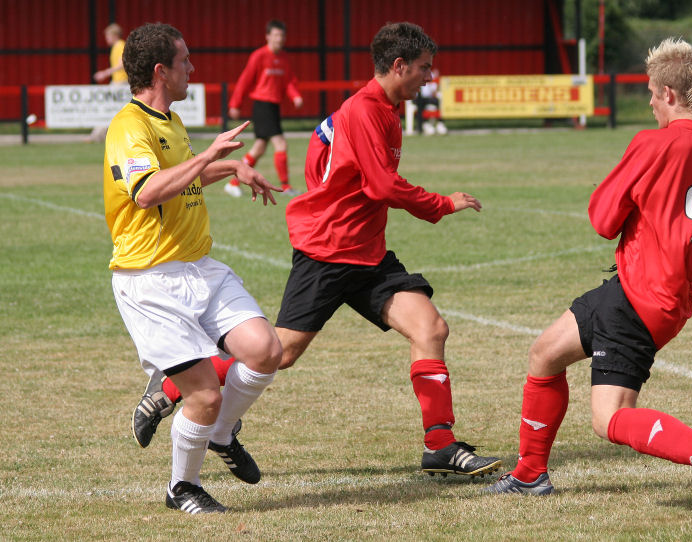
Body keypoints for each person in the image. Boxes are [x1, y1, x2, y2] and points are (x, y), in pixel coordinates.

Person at [133, 22, 502, 480]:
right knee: (279, 354)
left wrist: (329, 192)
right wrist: (443, 204)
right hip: (328, 251)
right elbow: (383, 184)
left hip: (367, 252)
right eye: (424, 69)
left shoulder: (380, 108)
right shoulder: (365, 110)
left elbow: (320, 152)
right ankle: (172, 385)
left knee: (431, 328)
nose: (429, 77)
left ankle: (440, 445)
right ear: (399, 66)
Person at [482, 38, 692, 521]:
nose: (648, 102)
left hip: (640, 301)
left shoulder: (651, 143)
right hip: (644, 294)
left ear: (668, 94)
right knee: (544, 353)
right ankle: (530, 472)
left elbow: (602, 219)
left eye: (649, 93)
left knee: (608, 419)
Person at [104, 22, 284, 514]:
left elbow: (183, 178)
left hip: (197, 268)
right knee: (203, 394)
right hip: (150, 281)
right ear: (161, 71)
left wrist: (231, 167)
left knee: (266, 350)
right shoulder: (129, 127)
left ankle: (223, 434)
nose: (194, 69)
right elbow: (147, 192)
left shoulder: (170, 121)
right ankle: (181, 487)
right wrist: (209, 154)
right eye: (186, 61)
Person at [224, 19, 303, 198]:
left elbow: (289, 81)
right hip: (262, 105)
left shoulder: (284, 57)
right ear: (268, 36)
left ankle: (233, 182)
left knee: (259, 148)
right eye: (275, 35)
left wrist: (295, 95)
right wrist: (235, 104)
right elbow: (245, 80)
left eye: (282, 35)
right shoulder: (259, 56)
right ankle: (286, 186)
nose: (279, 39)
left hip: (273, 106)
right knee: (280, 143)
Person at [87, 23, 127, 143]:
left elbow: (122, 64)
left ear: (114, 35)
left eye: (108, 36)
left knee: (107, 108)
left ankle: (97, 136)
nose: (106, 39)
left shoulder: (120, 45)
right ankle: (98, 135)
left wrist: (105, 73)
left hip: (120, 82)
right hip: (118, 82)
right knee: (110, 109)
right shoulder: (117, 46)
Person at [414, 68, 446, 135]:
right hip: (417, 97)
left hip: (428, 97)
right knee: (421, 103)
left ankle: (440, 123)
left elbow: (434, 90)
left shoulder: (430, 74)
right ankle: (422, 125)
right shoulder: (414, 73)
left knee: (438, 102)